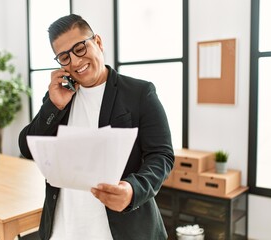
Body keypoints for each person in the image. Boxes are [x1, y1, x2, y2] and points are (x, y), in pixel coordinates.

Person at [19, 14, 174, 240]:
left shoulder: (139, 93)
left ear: (98, 42)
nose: (75, 61)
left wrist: (133, 190)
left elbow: (162, 156)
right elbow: (27, 147)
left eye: (80, 48)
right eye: (64, 56)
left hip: (122, 230)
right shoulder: (59, 96)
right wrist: (53, 106)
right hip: (64, 230)